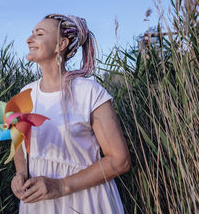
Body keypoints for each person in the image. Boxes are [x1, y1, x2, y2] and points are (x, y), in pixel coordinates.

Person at [11, 14, 131, 213]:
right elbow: (18, 145)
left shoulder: (89, 92)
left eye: (39, 34)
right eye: (31, 33)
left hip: (85, 200)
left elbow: (120, 161)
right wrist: (21, 174)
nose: (29, 39)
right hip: (39, 202)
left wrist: (60, 186)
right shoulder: (25, 94)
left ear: (61, 44)